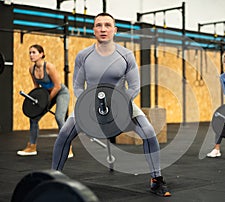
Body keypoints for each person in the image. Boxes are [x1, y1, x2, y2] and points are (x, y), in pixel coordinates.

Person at [51, 13, 171, 197]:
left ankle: (156, 179)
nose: (103, 29)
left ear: (114, 30)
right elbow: (77, 85)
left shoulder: (126, 55)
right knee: (65, 133)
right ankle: (54, 178)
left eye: (107, 25)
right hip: (89, 105)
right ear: (94, 31)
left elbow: (134, 87)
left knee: (148, 132)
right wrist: (86, 107)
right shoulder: (83, 55)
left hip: (121, 104)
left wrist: (120, 107)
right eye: (98, 25)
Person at [17, 44, 73, 158]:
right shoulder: (31, 69)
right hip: (46, 93)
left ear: (41, 54)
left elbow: (57, 86)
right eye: (30, 53)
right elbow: (36, 87)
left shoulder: (49, 67)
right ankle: (32, 146)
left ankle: (67, 147)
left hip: (60, 92)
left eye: (34, 52)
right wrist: (38, 101)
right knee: (33, 117)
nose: (31, 55)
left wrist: (46, 101)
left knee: (59, 117)